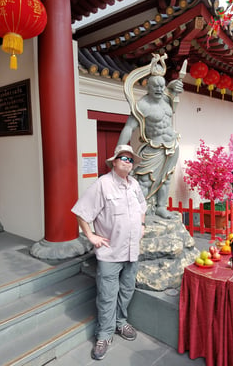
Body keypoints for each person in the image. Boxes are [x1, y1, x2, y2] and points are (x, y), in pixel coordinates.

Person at [71, 144, 147, 361]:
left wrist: (142, 226)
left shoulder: (134, 185)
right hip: (111, 253)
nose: (127, 162)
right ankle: (104, 334)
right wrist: (91, 236)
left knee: (127, 290)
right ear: (114, 162)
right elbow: (81, 211)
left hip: (133, 251)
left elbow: (142, 207)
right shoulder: (102, 184)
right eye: (123, 158)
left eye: (131, 159)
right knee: (107, 294)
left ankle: (121, 323)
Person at [117, 64, 184, 219]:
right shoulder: (142, 105)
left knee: (166, 179)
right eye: (156, 86)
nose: (160, 89)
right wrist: (120, 149)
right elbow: (129, 128)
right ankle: (141, 211)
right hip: (154, 147)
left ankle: (161, 207)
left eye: (162, 86)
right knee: (145, 180)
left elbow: (174, 99)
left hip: (172, 146)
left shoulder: (166, 99)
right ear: (148, 87)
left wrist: (175, 88)